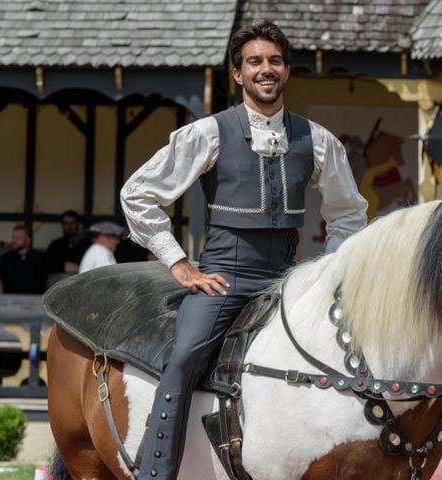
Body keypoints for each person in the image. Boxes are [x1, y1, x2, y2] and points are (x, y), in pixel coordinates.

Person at [121, 20, 368, 479]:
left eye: (274, 61)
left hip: (290, 280)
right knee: (185, 356)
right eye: (254, 62)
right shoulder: (209, 133)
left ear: (287, 71)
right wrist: (178, 263)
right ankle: (155, 474)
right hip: (223, 278)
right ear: (238, 74)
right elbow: (138, 193)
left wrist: (332, 267)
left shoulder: (317, 139)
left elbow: (349, 211)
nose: (265, 69)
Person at [0, 225, 49, 294]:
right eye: (13, 237)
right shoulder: (5, 258)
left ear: (28, 240)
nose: (14, 240)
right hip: (10, 301)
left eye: (18, 238)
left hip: (36, 301)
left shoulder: (41, 257)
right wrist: (0, 301)